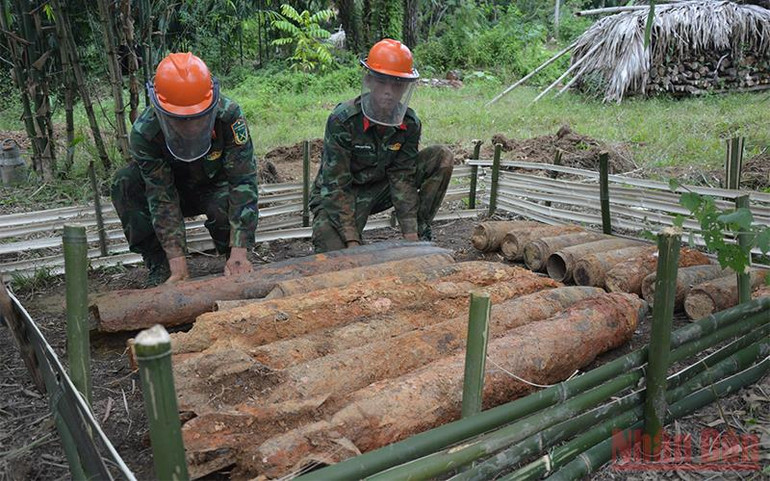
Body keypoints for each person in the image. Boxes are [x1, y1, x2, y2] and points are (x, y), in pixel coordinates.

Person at [111, 52, 259, 285]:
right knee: (125, 182)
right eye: (180, 120)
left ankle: (234, 259)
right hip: (174, 192)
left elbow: (243, 180)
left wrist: (240, 250)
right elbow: (161, 196)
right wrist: (178, 265)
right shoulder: (144, 133)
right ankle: (159, 264)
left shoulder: (229, 117)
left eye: (198, 118)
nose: (190, 127)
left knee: (225, 201)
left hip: (213, 188)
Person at [309, 38, 454, 253]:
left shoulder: (409, 124)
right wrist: (351, 240)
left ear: (405, 88)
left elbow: (402, 176)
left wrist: (411, 234)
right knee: (336, 255)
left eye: (397, 84)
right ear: (369, 80)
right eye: (382, 82)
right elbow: (335, 184)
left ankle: (421, 230)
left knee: (442, 157)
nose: (389, 91)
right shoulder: (343, 121)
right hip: (340, 194)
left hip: (380, 189)